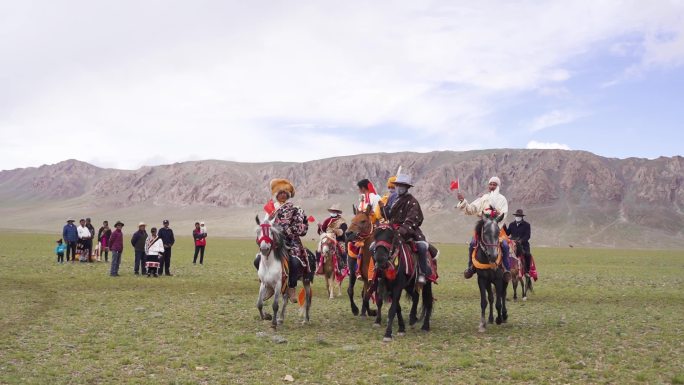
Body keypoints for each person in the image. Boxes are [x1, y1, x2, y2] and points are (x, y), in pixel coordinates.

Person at [254, 178, 311, 301]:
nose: (282, 195)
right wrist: (269, 219)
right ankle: (268, 285)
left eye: (285, 193)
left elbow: (302, 227)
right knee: (257, 259)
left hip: (290, 242)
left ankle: (291, 287)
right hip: (273, 242)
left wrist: (287, 230)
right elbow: (265, 226)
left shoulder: (296, 209)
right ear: (276, 195)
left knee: (295, 262)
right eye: (280, 193)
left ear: (288, 195)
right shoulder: (270, 210)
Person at [456, 176, 510, 278]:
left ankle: (506, 269)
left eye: (495, 184)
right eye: (491, 184)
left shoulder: (502, 199)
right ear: (488, 186)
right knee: (472, 243)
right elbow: (472, 209)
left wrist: (494, 223)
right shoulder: (484, 198)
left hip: (497, 229)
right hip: (483, 229)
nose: (492, 186)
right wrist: (463, 201)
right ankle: (471, 267)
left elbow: (504, 214)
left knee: (505, 246)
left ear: (498, 186)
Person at [386, 174, 432, 284]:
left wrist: (401, 231)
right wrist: (385, 209)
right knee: (376, 245)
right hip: (392, 230)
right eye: (397, 185)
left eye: (402, 186)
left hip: (409, 232)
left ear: (407, 187)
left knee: (421, 247)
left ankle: (422, 273)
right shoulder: (393, 199)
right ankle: (378, 273)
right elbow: (388, 216)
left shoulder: (413, 202)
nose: (399, 188)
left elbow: (413, 220)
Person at [317, 204, 347, 271]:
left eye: (334, 211)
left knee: (342, 250)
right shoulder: (327, 220)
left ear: (337, 212)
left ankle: (345, 265)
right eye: (332, 211)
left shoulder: (342, 221)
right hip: (327, 237)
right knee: (319, 249)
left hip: (338, 240)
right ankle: (319, 265)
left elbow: (342, 231)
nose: (333, 212)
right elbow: (323, 230)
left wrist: (334, 231)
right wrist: (319, 227)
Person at [506, 209, 532, 276]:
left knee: (528, 254)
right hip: (512, 244)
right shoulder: (511, 224)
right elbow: (507, 233)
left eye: (519, 216)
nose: (517, 217)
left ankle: (527, 271)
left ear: (522, 217)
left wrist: (521, 241)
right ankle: (505, 268)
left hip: (523, 244)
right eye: (516, 215)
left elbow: (528, 236)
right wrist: (503, 226)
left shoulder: (527, 225)